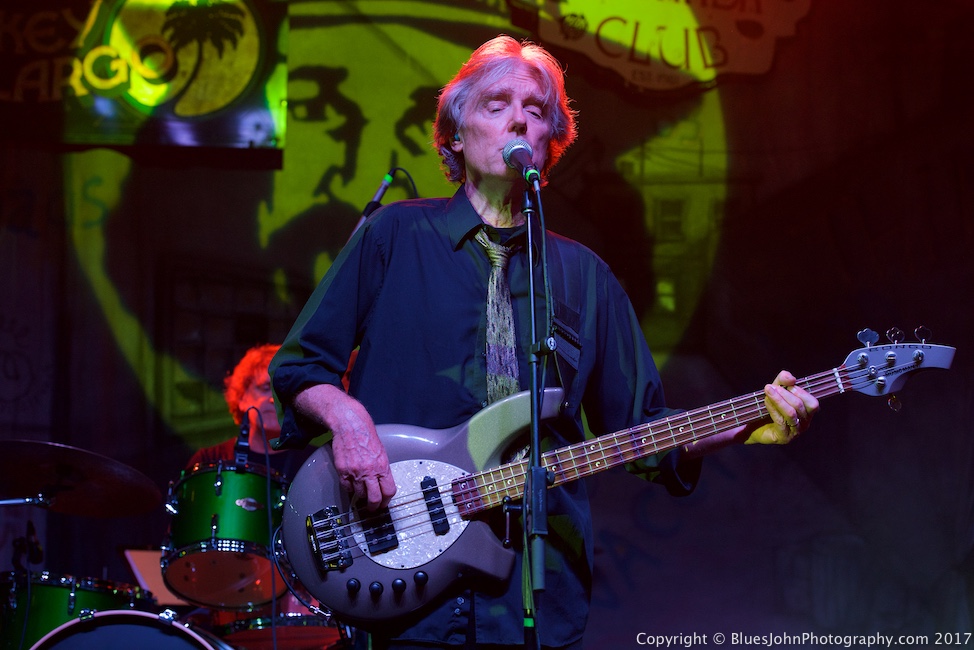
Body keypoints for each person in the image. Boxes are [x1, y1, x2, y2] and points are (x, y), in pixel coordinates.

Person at [269, 35, 819, 650]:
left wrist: (750, 420)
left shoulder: (585, 278)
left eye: (536, 111)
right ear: (455, 134)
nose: (519, 119)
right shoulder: (394, 236)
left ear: (550, 145)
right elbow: (299, 364)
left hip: (534, 593)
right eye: (496, 104)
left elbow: (645, 430)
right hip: (396, 576)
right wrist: (347, 420)